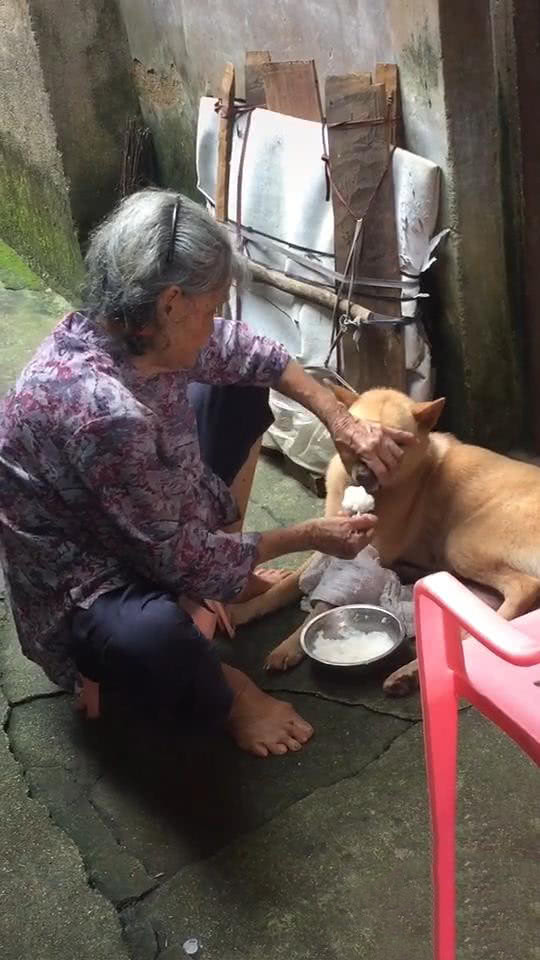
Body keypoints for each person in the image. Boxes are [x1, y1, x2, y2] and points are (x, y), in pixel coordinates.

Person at [0, 189, 413, 758]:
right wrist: (308, 537)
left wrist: (341, 420)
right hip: (88, 578)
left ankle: (210, 593)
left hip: (156, 516)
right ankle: (224, 690)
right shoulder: (98, 411)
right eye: (213, 304)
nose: (216, 319)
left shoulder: (133, 331)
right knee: (153, 639)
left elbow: (254, 354)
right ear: (172, 304)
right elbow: (175, 556)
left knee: (241, 389)